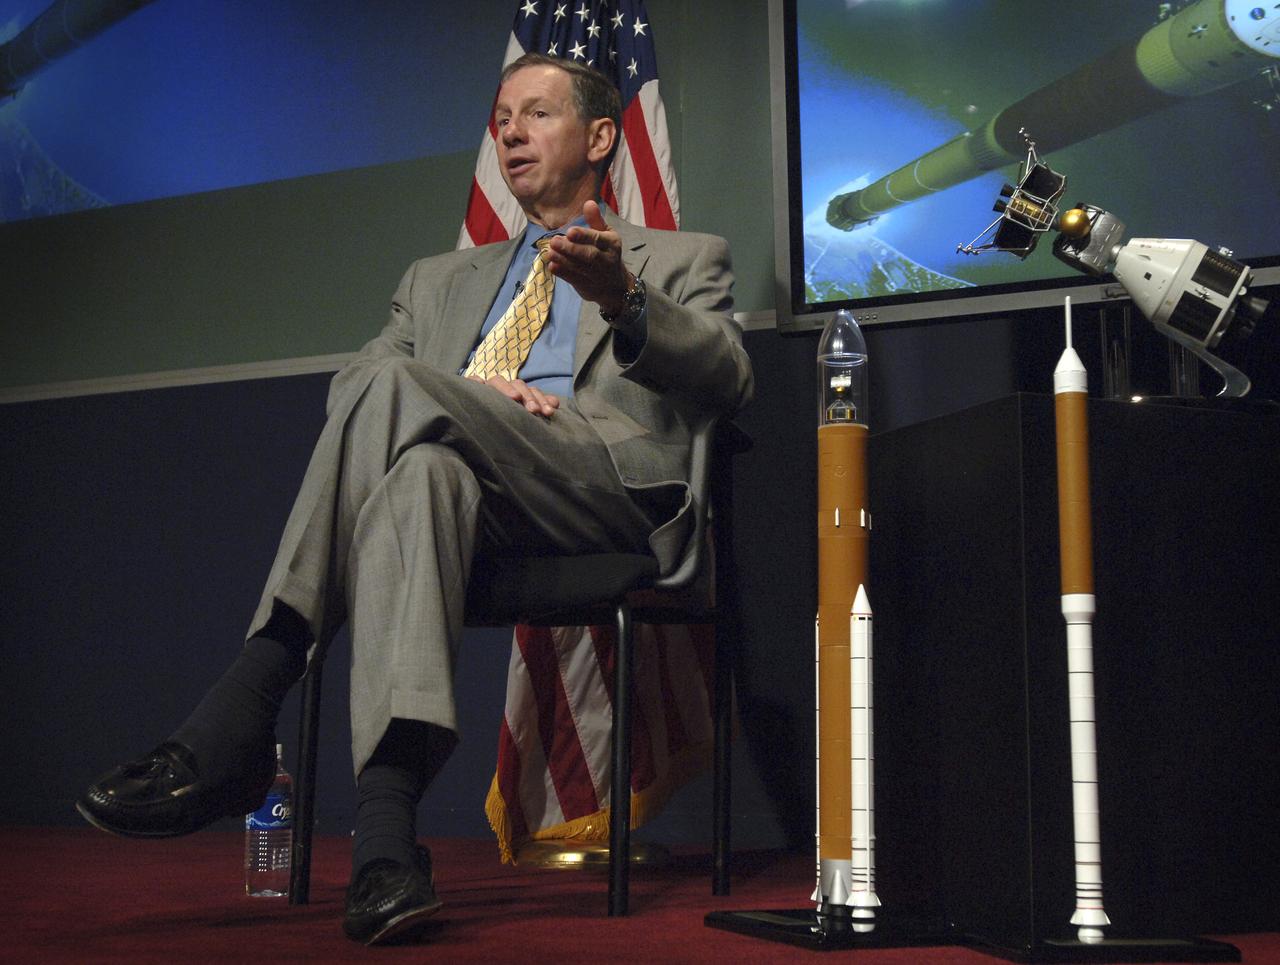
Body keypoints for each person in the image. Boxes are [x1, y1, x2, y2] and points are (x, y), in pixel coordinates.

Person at [76, 52, 753, 945]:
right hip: (471, 500)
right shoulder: (437, 280)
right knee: (418, 473)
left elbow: (732, 376)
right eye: (502, 116)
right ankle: (387, 849)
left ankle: (250, 698)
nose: (509, 131)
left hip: (606, 489)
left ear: (599, 138)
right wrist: (475, 396)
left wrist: (624, 298)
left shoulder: (677, 255)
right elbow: (354, 391)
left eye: (536, 114)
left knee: (407, 393)